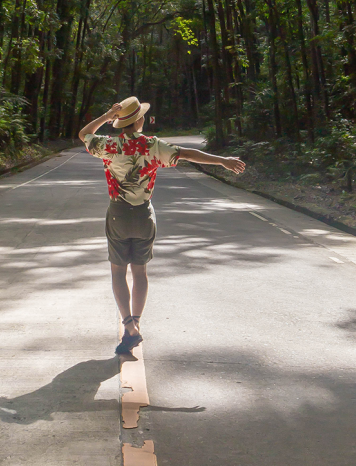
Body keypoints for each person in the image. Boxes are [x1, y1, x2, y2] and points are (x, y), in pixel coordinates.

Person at [79, 95, 246, 355]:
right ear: (139, 120)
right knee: (140, 273)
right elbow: (189, 154)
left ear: (119, 122)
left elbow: (84, 133)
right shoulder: (153, 145)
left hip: (117, 215)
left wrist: (106, 116)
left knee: (117, 273)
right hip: (144, 216)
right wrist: (222, 160)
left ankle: (128, 327)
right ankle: (136, 322)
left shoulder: (108, 145)